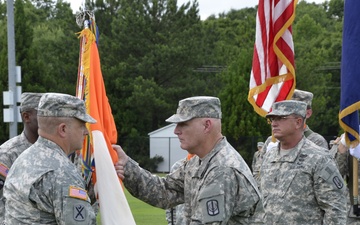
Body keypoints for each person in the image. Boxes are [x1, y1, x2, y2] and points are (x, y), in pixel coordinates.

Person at [115, 96, 264, 224]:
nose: (176, 130)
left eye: (183, 124)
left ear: (206, 125)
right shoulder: (198, 162)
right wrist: (128, 166)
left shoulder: (223, 169)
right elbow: (164, 191)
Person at [3, 93, 97, 224]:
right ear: (63, 129)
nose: (86, 132)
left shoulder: (23, 159)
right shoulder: (61, 172)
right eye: (81, 125)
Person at [260, 100, 347, 224]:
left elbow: (335, 208)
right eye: (272, 119)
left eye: (280, 118)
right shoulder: (269, 157)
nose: (274, 124)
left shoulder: (318, 158)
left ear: (298, 122)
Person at [0, 92, 43, 221]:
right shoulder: (7, 154)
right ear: (26, 117)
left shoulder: (60, 151)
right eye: (42, 114)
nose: (49, 119)